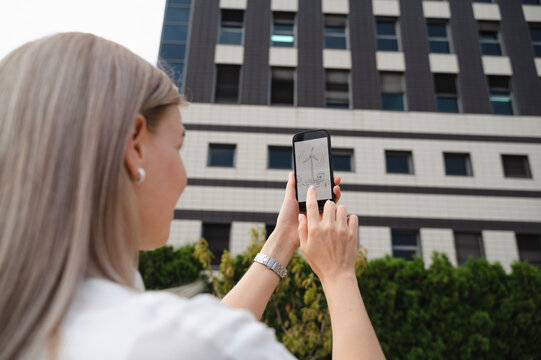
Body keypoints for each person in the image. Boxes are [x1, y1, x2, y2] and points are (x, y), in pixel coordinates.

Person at [0, 33, 385, 360]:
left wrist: (283, 239)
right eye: (178, 146)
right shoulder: (184, 339)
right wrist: (338, 274)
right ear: (134, 146)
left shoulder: (27, 326)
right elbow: (203, 340)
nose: (183, 177)